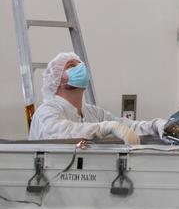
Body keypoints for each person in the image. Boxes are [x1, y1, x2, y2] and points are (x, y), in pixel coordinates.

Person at [29, 52, 165, 144]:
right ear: (56, 79)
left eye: (80, 65)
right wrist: (105, 127)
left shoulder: (93, 113)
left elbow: (126, 127)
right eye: (71, 66)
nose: (81, 68)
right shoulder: (47, 111)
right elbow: (61, 133)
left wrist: (155, 125)